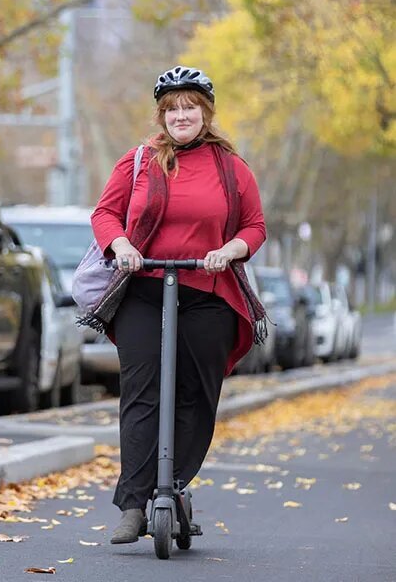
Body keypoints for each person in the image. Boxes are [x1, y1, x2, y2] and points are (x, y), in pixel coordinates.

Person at [87, 66, 267, 544]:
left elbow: (254, 226)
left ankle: (173, 485)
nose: (180, 115)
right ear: (161, 115)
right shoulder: (139, 160)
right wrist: (122, 245)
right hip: (145, 287)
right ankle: (133, 502)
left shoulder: (232, 167)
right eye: (171, 109)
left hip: (208, 292)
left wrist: (229, 251)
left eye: (189, 107)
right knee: (141, 391)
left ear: (205, 113)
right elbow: (105, 213)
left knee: (196, 394)